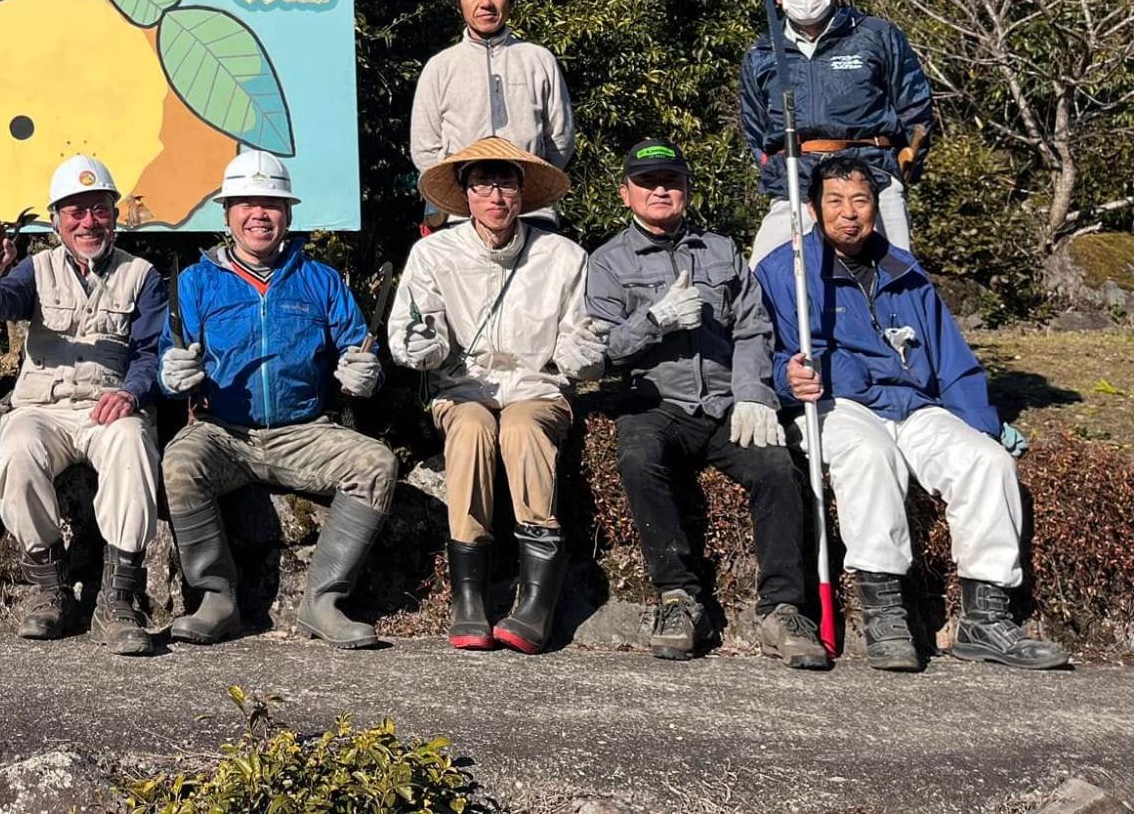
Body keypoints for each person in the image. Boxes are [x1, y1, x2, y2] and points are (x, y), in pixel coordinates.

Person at [760, 155, 1067, 671]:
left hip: (913, 404)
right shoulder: (783, 270)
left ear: (876, 210)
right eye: (835, 201)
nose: (849, 213)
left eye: (861, 201)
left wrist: (986, 427)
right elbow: (759, 351)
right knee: (870, 454)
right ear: (813, 209)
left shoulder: (906, 272)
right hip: (840, 405)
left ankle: (984, 618)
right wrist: (785, 379)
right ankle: (885, 612)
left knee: (986, 461)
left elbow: (952, 360)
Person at [586, 138, 828, 669]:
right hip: (654, 400)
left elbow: (753, 328)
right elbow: (601, 349)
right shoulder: (607, 261)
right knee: (637, 458)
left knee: (778, 469)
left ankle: (783, 608)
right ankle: (678, 597)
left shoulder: (722, 252)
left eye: (671, 181)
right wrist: (654, 321)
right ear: (626, 193)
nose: (660, 191)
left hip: (723, 402)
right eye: (647, 183)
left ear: (688, 190)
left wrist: (753, 395)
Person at [158, 150, 395, 649]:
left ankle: (323, 601)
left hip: (304, 431)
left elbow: (357, 350)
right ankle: (217, 599)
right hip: (222, 431)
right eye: (245, 203)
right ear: (226, 214)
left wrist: (364, 373)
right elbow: (167, 360)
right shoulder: (195, 283)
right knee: (179, 464)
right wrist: (171, 373)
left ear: (288, 214)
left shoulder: (322, 281)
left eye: (271, 203)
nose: (258, 214)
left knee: (375, 463)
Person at [386, 138, 595, 654]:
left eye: (506, 182)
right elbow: (411, 333)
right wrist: (423, 347)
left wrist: (583, 354)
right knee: (475, 428)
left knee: (523, 427)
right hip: (462, 388)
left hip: (535, 385)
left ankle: (536, 601)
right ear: (465, 194)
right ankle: (469, 596)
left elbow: (578, 335)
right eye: (482, 183)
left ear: (524, 192)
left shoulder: (562, 256)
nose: (496, 196)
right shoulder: (433, 254)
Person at [0, 154, 166, 656]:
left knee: (133, 445)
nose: (87, 223)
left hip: (109, 405)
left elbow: (151, 353)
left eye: (98, 210)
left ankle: (118, 597)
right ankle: (47, 587)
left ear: (115, 216)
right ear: (56, 220)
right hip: (43, 406)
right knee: (16, 451)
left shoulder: (142, 276)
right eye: (74, 212)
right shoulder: (35, 269)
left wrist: (131, 392)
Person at [740, 0, 935, 265]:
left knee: (897, 279)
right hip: (795, 186)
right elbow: (755, 126)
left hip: (872, 182)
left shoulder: (876, 35)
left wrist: (906, 162)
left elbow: (915, 105)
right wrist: (772, 170)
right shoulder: (761, 53)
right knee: (765, 279)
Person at [409, 0, 575, 226]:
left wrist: (528, 188)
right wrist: (464, 193)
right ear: (459, 1)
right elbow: (424, 148)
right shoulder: (441, 66)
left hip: (531, 212)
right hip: (460, 216)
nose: (485, 2)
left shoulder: (538, 59)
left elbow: (560, 138)